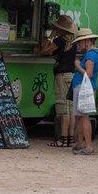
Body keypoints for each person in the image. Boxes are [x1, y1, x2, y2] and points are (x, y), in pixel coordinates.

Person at [36, 15, 78, 147]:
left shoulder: (60, 40)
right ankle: (69, 139)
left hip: (62, 75)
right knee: (70, 108)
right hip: (71, 75)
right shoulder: (73, 41)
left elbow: (44, 50)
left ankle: (62, 139)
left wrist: (50, 36)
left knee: (62, 108)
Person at [70, 28, 98, 156]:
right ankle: (81, 143)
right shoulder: (95, 53)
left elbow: (88, 74)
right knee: (80, 116)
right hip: (84, 87)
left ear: (87, 41)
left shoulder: (90, 55)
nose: (79, 45)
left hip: (84, 88)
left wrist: (77, 66)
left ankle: (88, 145)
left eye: (80, 43)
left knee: (83, 117)